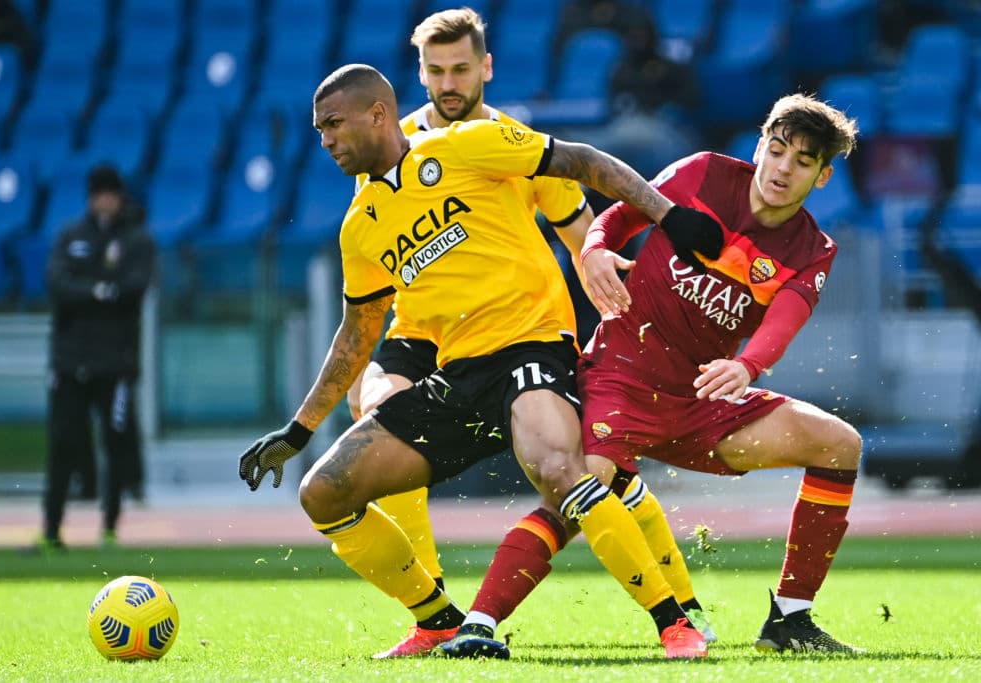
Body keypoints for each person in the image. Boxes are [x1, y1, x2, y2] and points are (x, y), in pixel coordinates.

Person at [238, 63, 723, 661]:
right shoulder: (360, 226)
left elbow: (582, 160)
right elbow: (356, 335)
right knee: (323, 492)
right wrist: (298, 430)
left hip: (532, 347)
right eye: (320, 131)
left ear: (379, 114)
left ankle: (675, 625)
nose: (326, 140)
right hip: (457, 377)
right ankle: (439, 620)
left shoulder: (466, 144)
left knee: (559, 469)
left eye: (334, 124)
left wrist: (667, 215)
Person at [443, 93, 866, 656]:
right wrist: (594, 250)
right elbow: (619, 217)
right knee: (582, 492)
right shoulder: (703, 174)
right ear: (760, 145)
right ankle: (479, 624)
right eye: (777, 149)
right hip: (620, 377)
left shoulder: (813, 249)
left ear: (822, 176)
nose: (783, 168)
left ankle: (790, 619)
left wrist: (747, 365)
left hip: (701, 397)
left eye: (803, 161)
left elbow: (783, 323)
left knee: (839, 444)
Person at [38, 164, 154, 551]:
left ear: (119, 197)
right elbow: (57, 285)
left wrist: (87, 290)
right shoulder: (71, 236)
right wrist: (103, 291)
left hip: (114, 363)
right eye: (99, 194)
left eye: (110, 194)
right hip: (70, 361)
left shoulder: (135, 239)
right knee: (62, 443)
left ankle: (109, 526)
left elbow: (134, 287)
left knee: (115, 444)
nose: (105, 201)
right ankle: (51, 529)